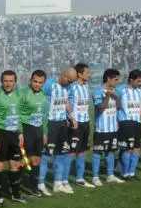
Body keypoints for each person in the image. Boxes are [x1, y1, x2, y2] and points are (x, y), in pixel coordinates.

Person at [0, 70, 25, 204]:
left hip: (13, 134)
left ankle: (15, 194)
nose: (8, 84)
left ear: (15, 82)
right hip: (0, 133)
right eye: (5, 81)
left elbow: (18, 115)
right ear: (1, 81)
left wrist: (20, 132)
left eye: (11, 81)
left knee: (15, 164)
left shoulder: (18, 95)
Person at [39, 66, 77, 195]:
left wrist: (71, 117)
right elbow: (39, 99)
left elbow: (66, 101)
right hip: (50, 124)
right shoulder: (49, 84)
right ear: (64, 75)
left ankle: (57, 183)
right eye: (70, 81)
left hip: (62, 124)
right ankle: (40, 183)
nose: (71, 84)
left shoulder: (68, 87)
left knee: (61, 153)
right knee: (46, 154)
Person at [90, 69, 124, 185]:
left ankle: (110, 175)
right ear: (108, 79)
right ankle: (95, 177)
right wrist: (108, 96)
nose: (117, 82)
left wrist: (116, 97)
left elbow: (119, 107)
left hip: (113, 128)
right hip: (101, 128)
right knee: (98, 152)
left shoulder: (115, 92)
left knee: (111, 152)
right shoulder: (97, 91)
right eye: (115, 79)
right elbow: (100, 108)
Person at [17, 70, 47, 195]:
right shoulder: (23, 93)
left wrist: (44, 132)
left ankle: (34, 188)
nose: (37, 84)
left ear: (43, 83)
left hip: (38, 131)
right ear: (30, 80)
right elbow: (17, 113)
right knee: (22, 161)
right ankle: (16, 188)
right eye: (35, 81)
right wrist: (20, 132)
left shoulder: (43, 95)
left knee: (36, 160)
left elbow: (44, 115)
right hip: (26, 129)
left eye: (40, 82)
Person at [116, 70, 141, 180]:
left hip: (137, 122)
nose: (140, 84)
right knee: (127, 149)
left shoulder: (139, 91)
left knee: (137, 149)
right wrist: (116, 121)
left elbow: (140, 107)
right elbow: (115, 106)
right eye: (138, 81)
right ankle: (125, 173)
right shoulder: (120, 90)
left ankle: (132, 173)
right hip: (125, 122)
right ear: (131, 79)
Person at [69, 63, 94, 187]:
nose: (89, 75)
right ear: (79, 74)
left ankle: (80, 178)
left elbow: (85, 105)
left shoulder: (86, 86)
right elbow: (66, 103)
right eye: (87, 72)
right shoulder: (72, 87)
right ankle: (63, 179)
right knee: (72, 151)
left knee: (83, 151)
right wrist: (71, 119)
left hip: (85, 123)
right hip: (75, 124)